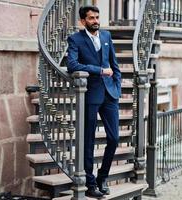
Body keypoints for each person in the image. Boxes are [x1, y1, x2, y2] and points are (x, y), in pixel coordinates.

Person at [67, 5, 121, 198]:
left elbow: (114, 65)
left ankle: (102, 177)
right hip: (90, 94)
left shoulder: (106, 36)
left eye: (97, 17)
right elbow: (72, 64)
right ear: (83, 21)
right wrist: (98, 70)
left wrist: (117, 86)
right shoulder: (75, 39)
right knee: (88, 141)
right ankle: (90, 184)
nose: (96, 21)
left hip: (109, 94)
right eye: (91, 18)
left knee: (114, 138)